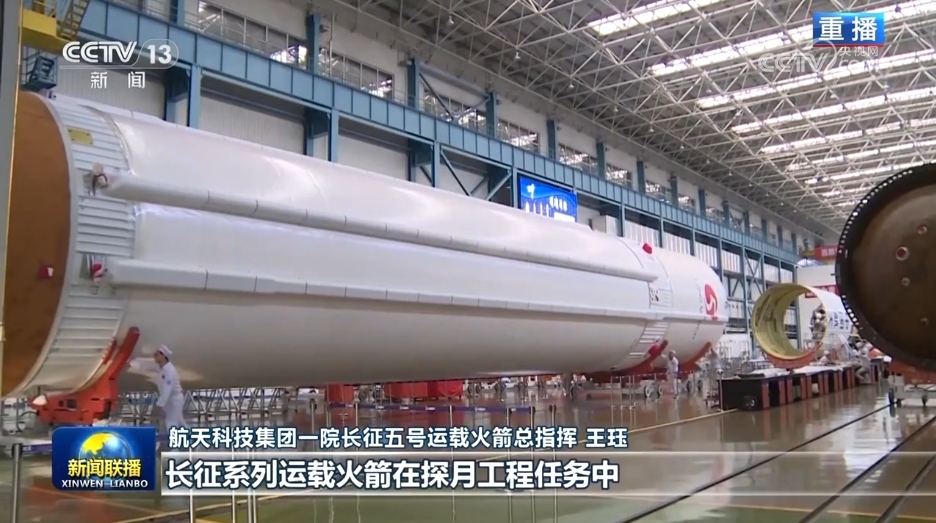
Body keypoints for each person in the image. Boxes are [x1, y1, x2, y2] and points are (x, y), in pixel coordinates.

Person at [129, 345, 187, 431]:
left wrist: (160, 404)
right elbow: (147, 363)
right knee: (179, 420)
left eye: (156, 355)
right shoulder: (161, 366)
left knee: (171, 421)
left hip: (174, 399)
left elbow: (167, 389)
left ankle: (174, 437)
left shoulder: (169, 371)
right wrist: (132, 361)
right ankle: (190, 435)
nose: (154, 357)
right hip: (170, 398)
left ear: (163, 356)